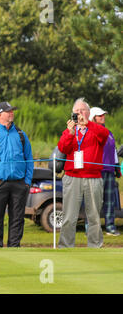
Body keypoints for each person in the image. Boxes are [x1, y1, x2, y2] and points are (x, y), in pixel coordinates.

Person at [0, 101, 33, 248]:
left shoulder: (21, 134)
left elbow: (29, 159)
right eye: (8, 111)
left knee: (17, 219)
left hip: (19, 183)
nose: (11, 113)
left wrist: (27, 182)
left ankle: (14, 248)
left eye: (12, 111)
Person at [57, 98, 109, 248]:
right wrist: (70, 133)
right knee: (69, 216)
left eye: (82, 110)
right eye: (76, 111)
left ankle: (95, 246)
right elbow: (63, 148)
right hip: (72, 177)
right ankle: (66, 246)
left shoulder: (95, 129)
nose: (79, 113)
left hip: (93, 178)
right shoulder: (69, 131)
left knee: (94, 216)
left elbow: (105, 135)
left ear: (88, 112)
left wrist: (89, 124)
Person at [89, 107, 120, 236]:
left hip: (109, 170)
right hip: (96, 171)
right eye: (100, 115)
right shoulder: (90, 132)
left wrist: (117, 167)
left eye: (103, 115)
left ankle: (110, 226)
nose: (103, 117)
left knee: (109, 200)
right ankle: (90, 228)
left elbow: (114, 152)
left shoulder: (109, 133)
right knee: (93, 201)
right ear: (93, 118)